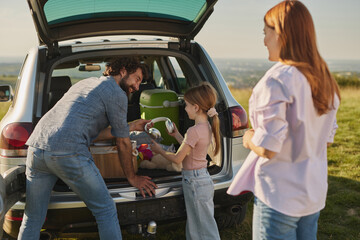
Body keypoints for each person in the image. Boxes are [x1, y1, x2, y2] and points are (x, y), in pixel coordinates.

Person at [227, 1, 340, 240]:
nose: (264, 40)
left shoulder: (277, 80)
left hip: (279, 196)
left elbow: (268, 147)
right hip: (312, 194)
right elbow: (326, 141)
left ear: (281, 33)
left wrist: (248, 139)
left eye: (265, 32)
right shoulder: (325, 81)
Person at [18, 57, 158, 240]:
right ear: (123, 71)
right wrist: (132, 178)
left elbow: (89, 132)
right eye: (137, 79)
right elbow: (123, 143)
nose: (137, 87)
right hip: (68, 152)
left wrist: (130, 126)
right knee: (106, 209)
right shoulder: (117, 93)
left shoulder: (85, 84)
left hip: (37, 147)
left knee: (33, 216)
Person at [150, 83, 221, 240]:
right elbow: (190, 148)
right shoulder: (205, 126)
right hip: (201, 179)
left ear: (196, 107)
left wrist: (159, 150)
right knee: (198, 225)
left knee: (202, 229)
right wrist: (176, 135)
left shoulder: (193, 131)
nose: (185, 108)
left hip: (195, 182)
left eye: (187, 105)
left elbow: (178, 158)